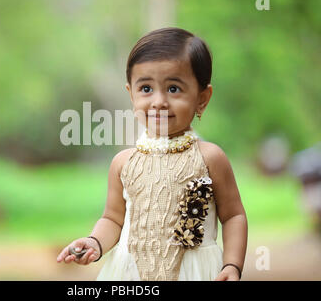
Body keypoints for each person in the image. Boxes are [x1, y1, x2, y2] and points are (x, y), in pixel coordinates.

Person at [57, 27, 248, 281]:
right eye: (146, 89)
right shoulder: (123, 163)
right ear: (131, 95)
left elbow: (233, 215)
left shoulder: (210, 158)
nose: (158, 101)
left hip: (194, 273)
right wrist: (95, 242)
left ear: (202, 98)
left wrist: (232, 266)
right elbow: (113, 219)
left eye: (173, 89)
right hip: (131, 273)